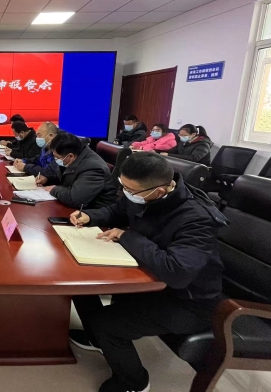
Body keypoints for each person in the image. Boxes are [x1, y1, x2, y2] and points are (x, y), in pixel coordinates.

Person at [68, 152, 227, 392]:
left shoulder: (197, 218)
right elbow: (117, 210)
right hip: (151, 277)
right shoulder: (143, 193)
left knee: (105, 323)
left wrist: (127, 236)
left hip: (189, 301)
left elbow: (177, 272)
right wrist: (90, 216)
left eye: (132, 191)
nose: (127, 194)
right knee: (83, 288)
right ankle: (96, 339)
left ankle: (134, 382)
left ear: (160, 191)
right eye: (123, 187)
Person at [36, 132, 116, 209]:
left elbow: (75, 199)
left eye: (57, 157)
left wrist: (54, 189)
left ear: (71, 156)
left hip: (95, 212)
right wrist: (47, 180)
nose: (55, 159)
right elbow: (67, 179)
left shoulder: (93, 168)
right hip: (77, 207)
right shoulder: (74, 157)